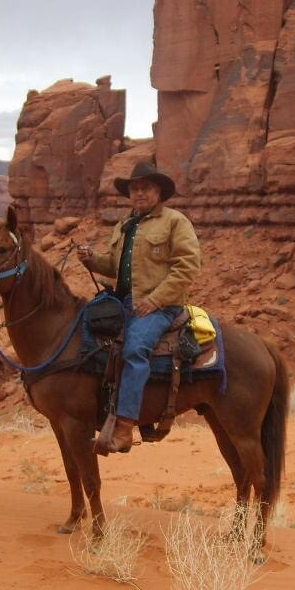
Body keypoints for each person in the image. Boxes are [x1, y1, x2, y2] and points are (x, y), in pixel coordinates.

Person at [79, 161, 201, 454]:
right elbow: (114, 265)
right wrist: (92, 259)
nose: (139, 193)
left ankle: (124, 426)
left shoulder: (175, 222)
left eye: (145, 187)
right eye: (135, 188)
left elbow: (187, 267)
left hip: (161, 307)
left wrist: (155, 300)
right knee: (83, 332)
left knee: (135, 349)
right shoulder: (124, 226)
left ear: (158, 191)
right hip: (124, 303)